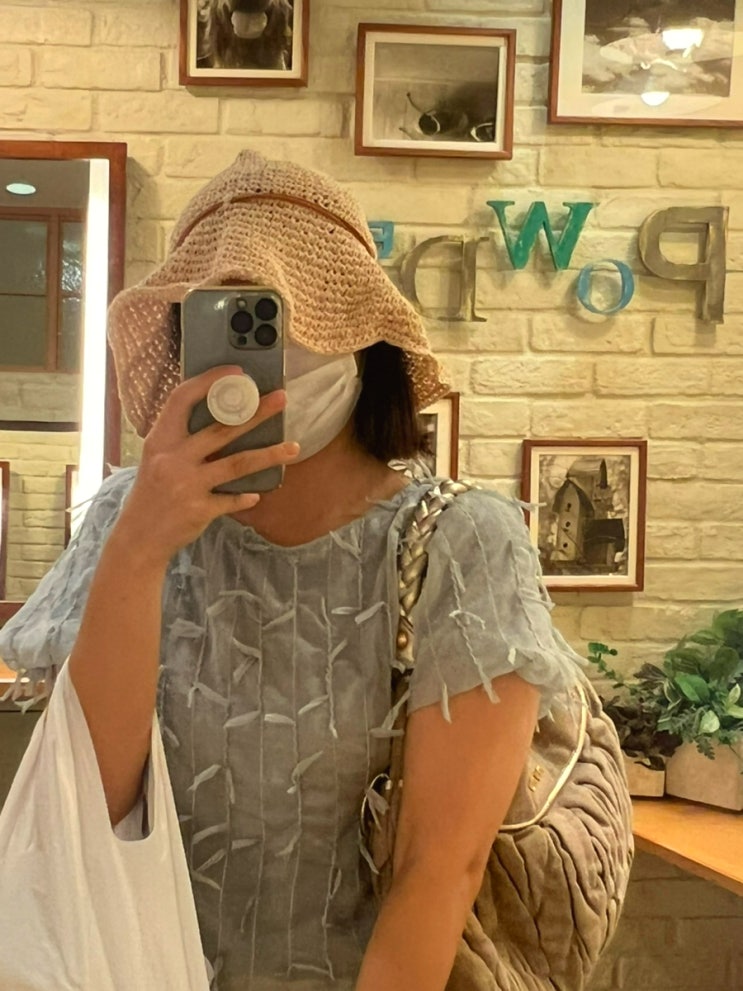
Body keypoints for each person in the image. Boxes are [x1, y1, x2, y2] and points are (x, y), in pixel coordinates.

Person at [0, 150, 583, 991]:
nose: (264, 357)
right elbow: (90, 808)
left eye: (288, 314)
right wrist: (140, 547)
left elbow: (436, 870)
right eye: (230, 318)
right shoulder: (130, 519)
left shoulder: (461, 544)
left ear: (362, 337)